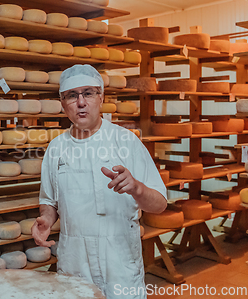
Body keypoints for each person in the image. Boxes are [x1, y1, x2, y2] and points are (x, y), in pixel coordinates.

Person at [31, 64, 167, 299]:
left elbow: (160, 204)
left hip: (119, 259)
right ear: (63, 104)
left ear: (101, 97)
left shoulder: (126, 141)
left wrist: (137, 188)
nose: (81, 102)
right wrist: (46, 218)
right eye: (72, 96)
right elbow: (49, 201)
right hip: (75, 260)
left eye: (88, 93)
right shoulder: (56, 149)